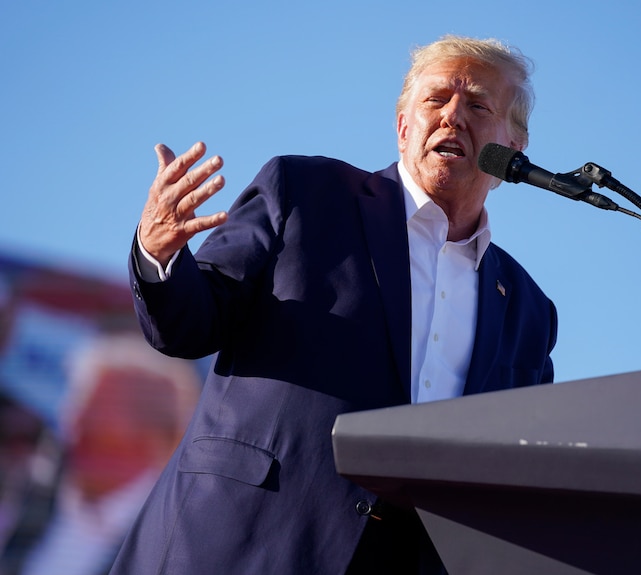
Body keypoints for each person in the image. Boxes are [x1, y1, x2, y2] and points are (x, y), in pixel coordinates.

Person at [113, 35, 558, 575]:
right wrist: (158, 252)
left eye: (479, 106)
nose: (452, 117)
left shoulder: (528, 310)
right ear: (402, 127)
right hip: (245, 538)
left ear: (513, 148)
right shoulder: (305, 192)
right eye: (435, 100)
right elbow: (188, 325)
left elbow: (517, 476)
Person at [3, 334, 199, 575]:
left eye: (98, 432)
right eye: (79, 412)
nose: (76, 431)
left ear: (155, 440)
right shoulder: (28, 485)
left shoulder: (174, 541)